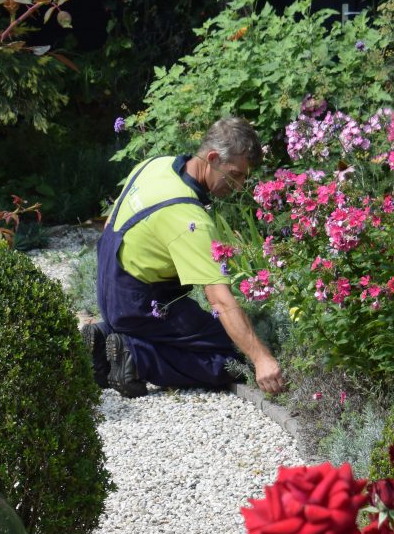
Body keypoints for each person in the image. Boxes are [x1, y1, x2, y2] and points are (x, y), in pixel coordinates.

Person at [81, 116, 285, 398]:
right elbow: (219, 301)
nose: (239, 186)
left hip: (108, 280)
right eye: (236, 174)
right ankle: (137, 356)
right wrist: (261, 359)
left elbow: (109, 224)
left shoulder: (155, 165)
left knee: (207, 336)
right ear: (212, 158)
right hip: (139, 302)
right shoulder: (190, 218)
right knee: (231, 358)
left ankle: (108, 337)